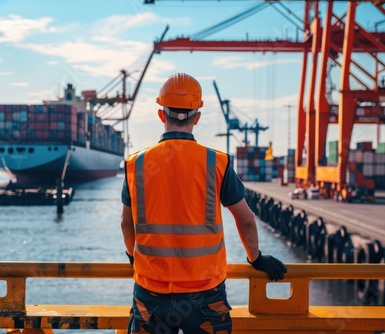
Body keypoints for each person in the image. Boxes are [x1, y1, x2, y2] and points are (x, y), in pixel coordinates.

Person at [120, 72, 287, 334]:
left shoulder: (137, 164)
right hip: (205, 295)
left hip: (150, 293)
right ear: (197, 117)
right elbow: (245, 220)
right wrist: (256, 258)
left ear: (162, 114)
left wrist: (134, 258)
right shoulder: (216, 163)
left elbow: (125, 224)